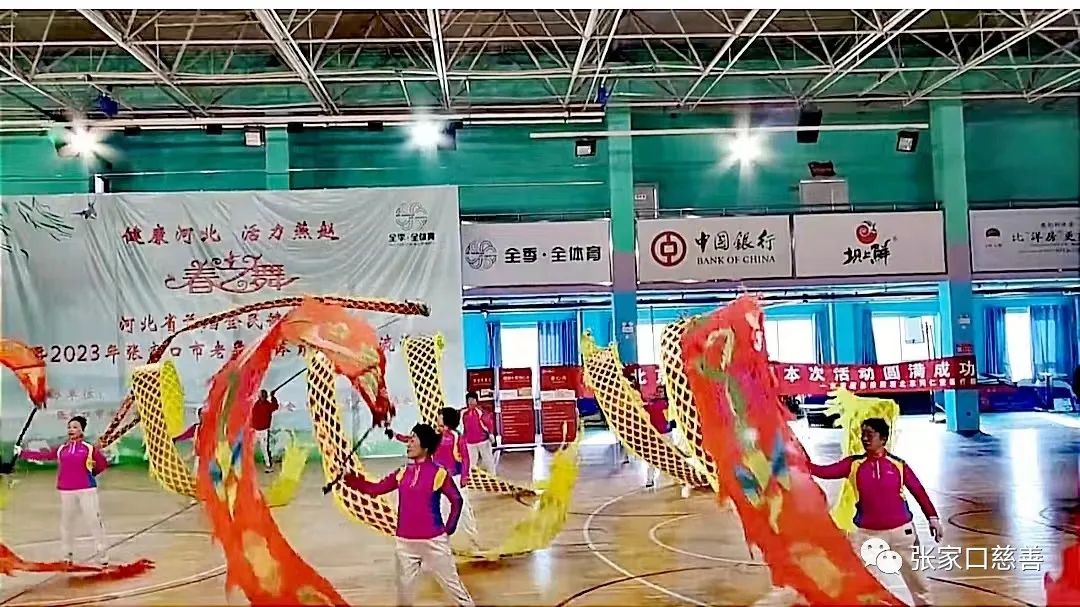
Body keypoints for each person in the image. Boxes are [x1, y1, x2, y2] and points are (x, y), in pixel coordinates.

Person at [808, 417, 942, 607]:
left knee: (916, 578)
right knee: (866, 582)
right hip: (868, 535)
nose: (864, 438)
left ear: (883, 438)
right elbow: (821, 471)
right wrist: (794, 456)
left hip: (902, 533)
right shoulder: (853, 464)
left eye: (870, 434)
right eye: (863, 434)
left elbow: (918, 491)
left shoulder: (898, 465)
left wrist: (933, 518)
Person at [344, 424, 475, 606]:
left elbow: (457, 500)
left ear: (425, 446)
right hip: (405, 543)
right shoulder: (403, 472)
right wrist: (352, 480)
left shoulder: (439, 473)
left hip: (434, 541)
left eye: (413, 440)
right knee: (404, 596)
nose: (409, 443)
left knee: (456, 591)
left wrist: (449, 528)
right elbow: (375, 489)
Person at [14, 416, 109, 565]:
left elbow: (102, 464)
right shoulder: (61, 449)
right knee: (67, 523)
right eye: (69, 427)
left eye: (75, 427)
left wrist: (91, 474)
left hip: (86, 489)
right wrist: (22, 453)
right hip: (66, 490)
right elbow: (45, 456)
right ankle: (67, 555)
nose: (71, 430)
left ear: (82, 430)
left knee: (93, 521)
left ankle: (102, 554)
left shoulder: (89, 449)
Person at [388, 408, 479, 550]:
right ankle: (443, 543)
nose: (437, 418)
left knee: (464, 511)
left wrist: (465, 476)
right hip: (438, 479)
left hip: (455, 479)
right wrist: (395, 435)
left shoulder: (457, 437)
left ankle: (474, 542)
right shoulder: (435, 435)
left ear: (446, 419)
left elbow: (466, 458)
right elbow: (411, 439)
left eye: (440, 416)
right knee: (441, 513)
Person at [460, 392, 496, 474]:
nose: (471, 402)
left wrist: (491, 434)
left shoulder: (481, 412)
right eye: (469, 400)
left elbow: (488, 423)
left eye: (473, 400)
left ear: (477, 401)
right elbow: (461, 427)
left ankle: (493, 476)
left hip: (483, 441)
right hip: (470, 442)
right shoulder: (463, 413)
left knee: (488, 460)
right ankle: (471, 478)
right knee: (471, 463)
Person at [251, 389, 279, 473]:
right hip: (256, 430)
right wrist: (273, 397)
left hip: (263, 431)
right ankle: (248, 466)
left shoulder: (266, 405)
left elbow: (275, 406)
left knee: (264, 449)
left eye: (261, 395)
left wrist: (273, 397)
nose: (260, 396)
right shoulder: (258, 404)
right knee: (251, 448)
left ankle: (268, 466)